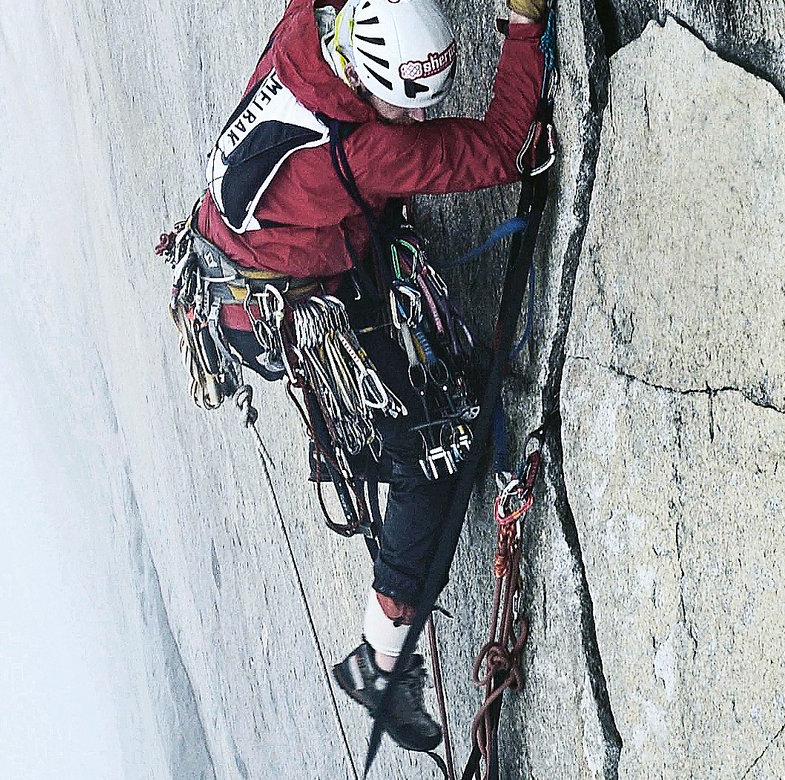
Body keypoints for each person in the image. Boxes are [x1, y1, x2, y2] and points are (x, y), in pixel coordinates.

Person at [184, 0, 549, 754]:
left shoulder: (312, 22)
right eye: (403, 109)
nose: (413, 125)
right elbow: (501, 144)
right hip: (280, 304)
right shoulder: (373, 149)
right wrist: (520, 25)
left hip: (243, 257)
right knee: (438, 452)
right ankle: (379, 658)